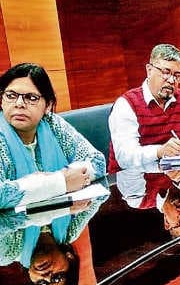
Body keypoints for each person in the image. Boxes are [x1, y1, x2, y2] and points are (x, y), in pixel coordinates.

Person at [0, 63, 105, 209]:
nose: (19, 104)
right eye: (11, 96)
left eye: (31, 98)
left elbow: (97, 162)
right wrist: (60, 182)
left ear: (48, 105)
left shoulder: (52, 123)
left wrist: (61, 179)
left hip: (61, 216)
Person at [108, 44, 180, 173]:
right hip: (136, 181)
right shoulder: (126, 104)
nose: (171, 80)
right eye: (166, 73)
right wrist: (159, 151)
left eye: (177, 75)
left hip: (177, 178)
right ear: (149, 70)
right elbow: (125, 157)